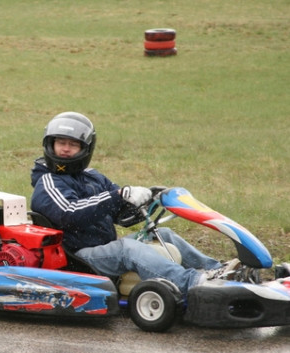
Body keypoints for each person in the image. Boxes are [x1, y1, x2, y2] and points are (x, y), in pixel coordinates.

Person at [30, 112, 240, 295]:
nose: (66, 149)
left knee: (164, 234)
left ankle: (217, 271)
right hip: (78, 256)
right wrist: (118, 195)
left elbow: (121, 215)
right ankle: (192, 282)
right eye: (61, 143)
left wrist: (145, 199)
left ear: (85, 148)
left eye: (73, 144)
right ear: (51, 145)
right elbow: (70, 213)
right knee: (127, 249)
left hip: (103, 248)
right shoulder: (48, 181)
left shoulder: (92, 177)